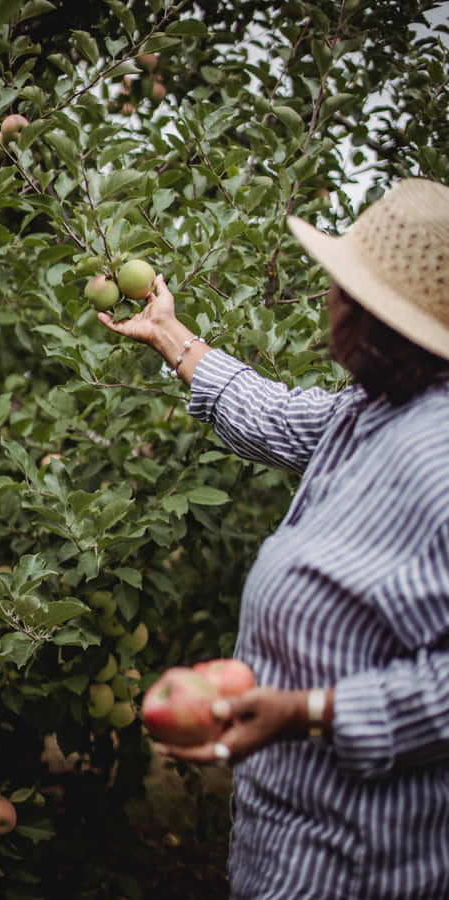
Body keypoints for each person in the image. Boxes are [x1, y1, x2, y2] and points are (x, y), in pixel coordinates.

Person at [99, 177, 449, 899]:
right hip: (292, 847)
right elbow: (275, 416)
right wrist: (168, 330)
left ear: (374, 316)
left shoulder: (439, 455)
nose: (330, 299)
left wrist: (309, 712)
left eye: (341, 288)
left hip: (362, 865)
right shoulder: (372, 410)